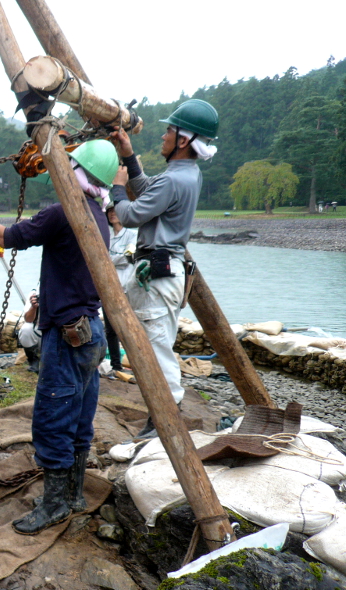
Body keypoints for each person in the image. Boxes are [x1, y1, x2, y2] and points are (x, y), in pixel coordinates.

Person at [0, 138, 112, 535]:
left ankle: (56, 505)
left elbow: (6, 236)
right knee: (79, 417)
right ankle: (73, 495)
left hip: (66, 336)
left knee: (52, 419)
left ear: (74, 173)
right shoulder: (100, 214)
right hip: (91, 333)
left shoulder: (63, 214)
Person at [109, 99, 219, 439]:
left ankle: (165, 421)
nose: (163, 135)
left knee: (156, 347)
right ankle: (163, 418)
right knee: (156, 343)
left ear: (183, 140)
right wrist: (129, 155)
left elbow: (129, 214)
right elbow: (148, 193)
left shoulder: (174, 180)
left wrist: (116, 186)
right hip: (164, 269)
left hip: (157, 272)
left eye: (169, 130)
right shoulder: (186, 175)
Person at [105, 201, 137, 375]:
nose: (112, 214)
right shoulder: (106, 234)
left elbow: (128, 257)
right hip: (108, 287)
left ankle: (136, 363)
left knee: (128, 327)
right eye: (109, 211)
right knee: (110, 329)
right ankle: (116, 365)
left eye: (116, 211)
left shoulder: (132, 235)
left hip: (125, 287)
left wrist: (110, 259)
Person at [17, 291, 42, 373]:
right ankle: (33, 361)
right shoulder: (34, 293)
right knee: (26, 329)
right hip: (39, 328)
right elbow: (28, 319)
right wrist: (34, 307)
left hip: (58, 329)